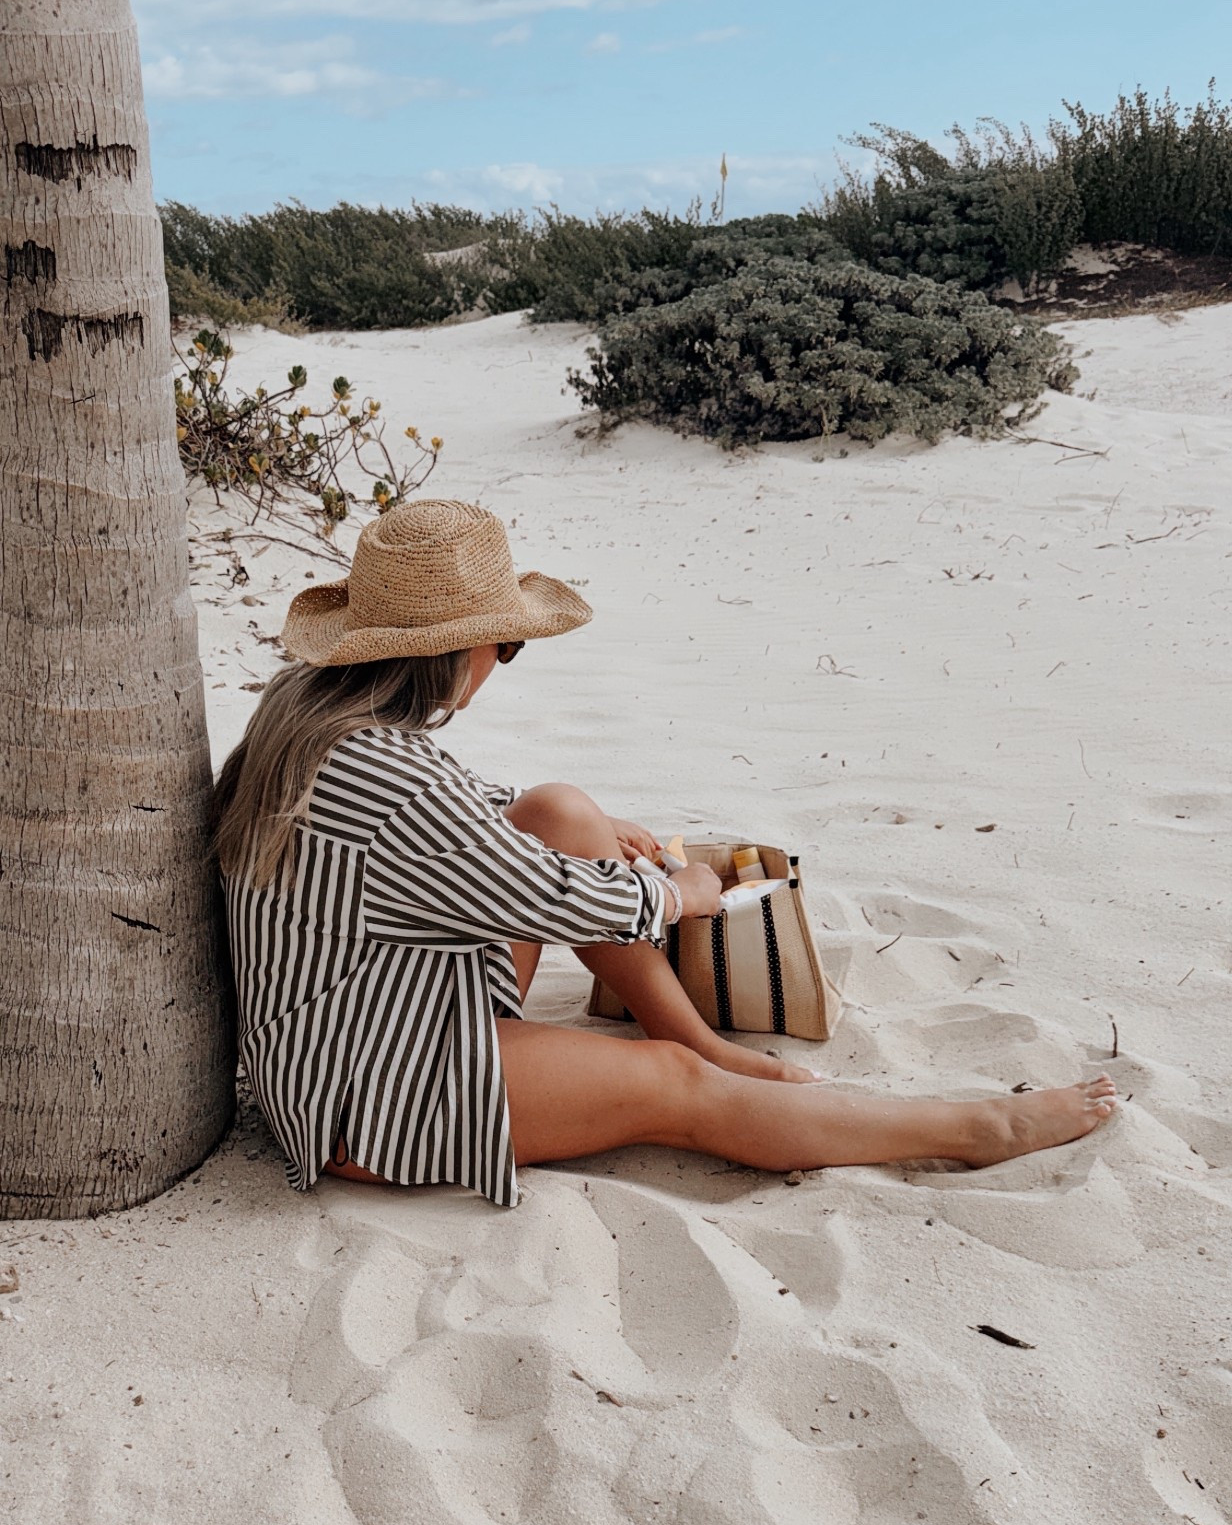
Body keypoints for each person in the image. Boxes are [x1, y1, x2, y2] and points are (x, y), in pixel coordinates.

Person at [212, 498, 1115, 1207]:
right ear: (453, 649)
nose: (503, 660)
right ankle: (975, 1126)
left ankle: (695, 1036)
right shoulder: (396, 780)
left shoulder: (311, 714)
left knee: (561, 812)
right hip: (371, 1097)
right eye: (509, 645)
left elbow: (441, 839)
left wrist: (606, 835)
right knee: (672, 1089)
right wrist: (682, 894)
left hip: (362, 1012)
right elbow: (558, 900)